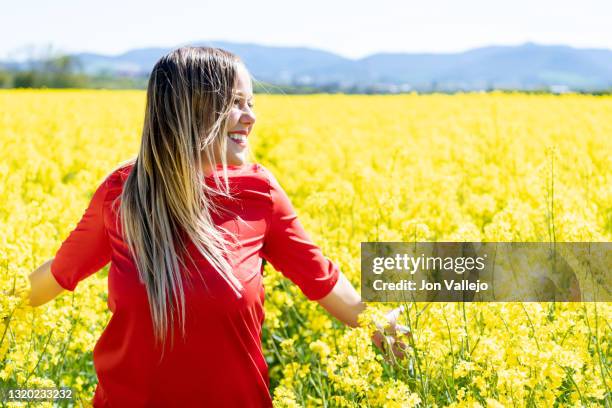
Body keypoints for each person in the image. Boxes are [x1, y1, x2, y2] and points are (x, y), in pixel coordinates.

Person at [26, 46, 408, 407]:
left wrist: (383, 321)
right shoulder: (121, 194)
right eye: (235, 103)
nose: (250, 117)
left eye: (251, 104)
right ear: (190, 110)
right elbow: (58, 275)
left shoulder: (260, 193)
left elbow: (323, 280)